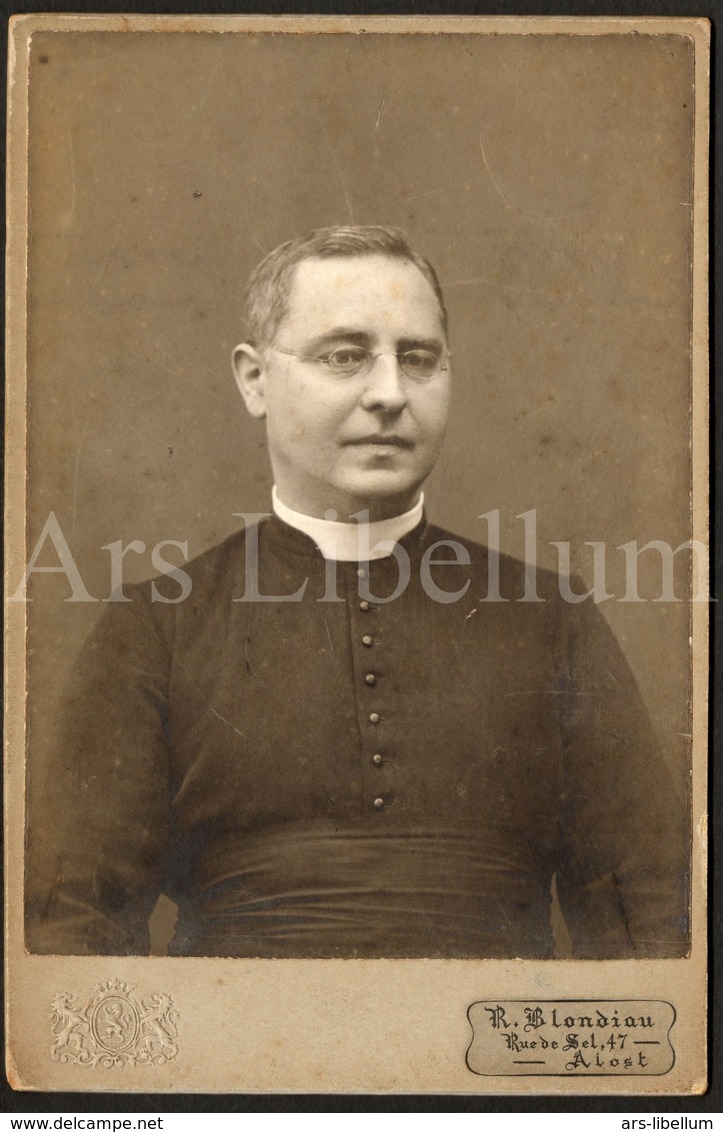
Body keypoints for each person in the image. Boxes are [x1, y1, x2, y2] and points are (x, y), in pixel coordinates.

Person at [26, 225, 688, 960]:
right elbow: (71, 925)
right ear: (254, 380)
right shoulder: (157, 627)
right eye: (344, 357)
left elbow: (648, 920)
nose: (388, 394)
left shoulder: (549, 619)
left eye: (418, 359)